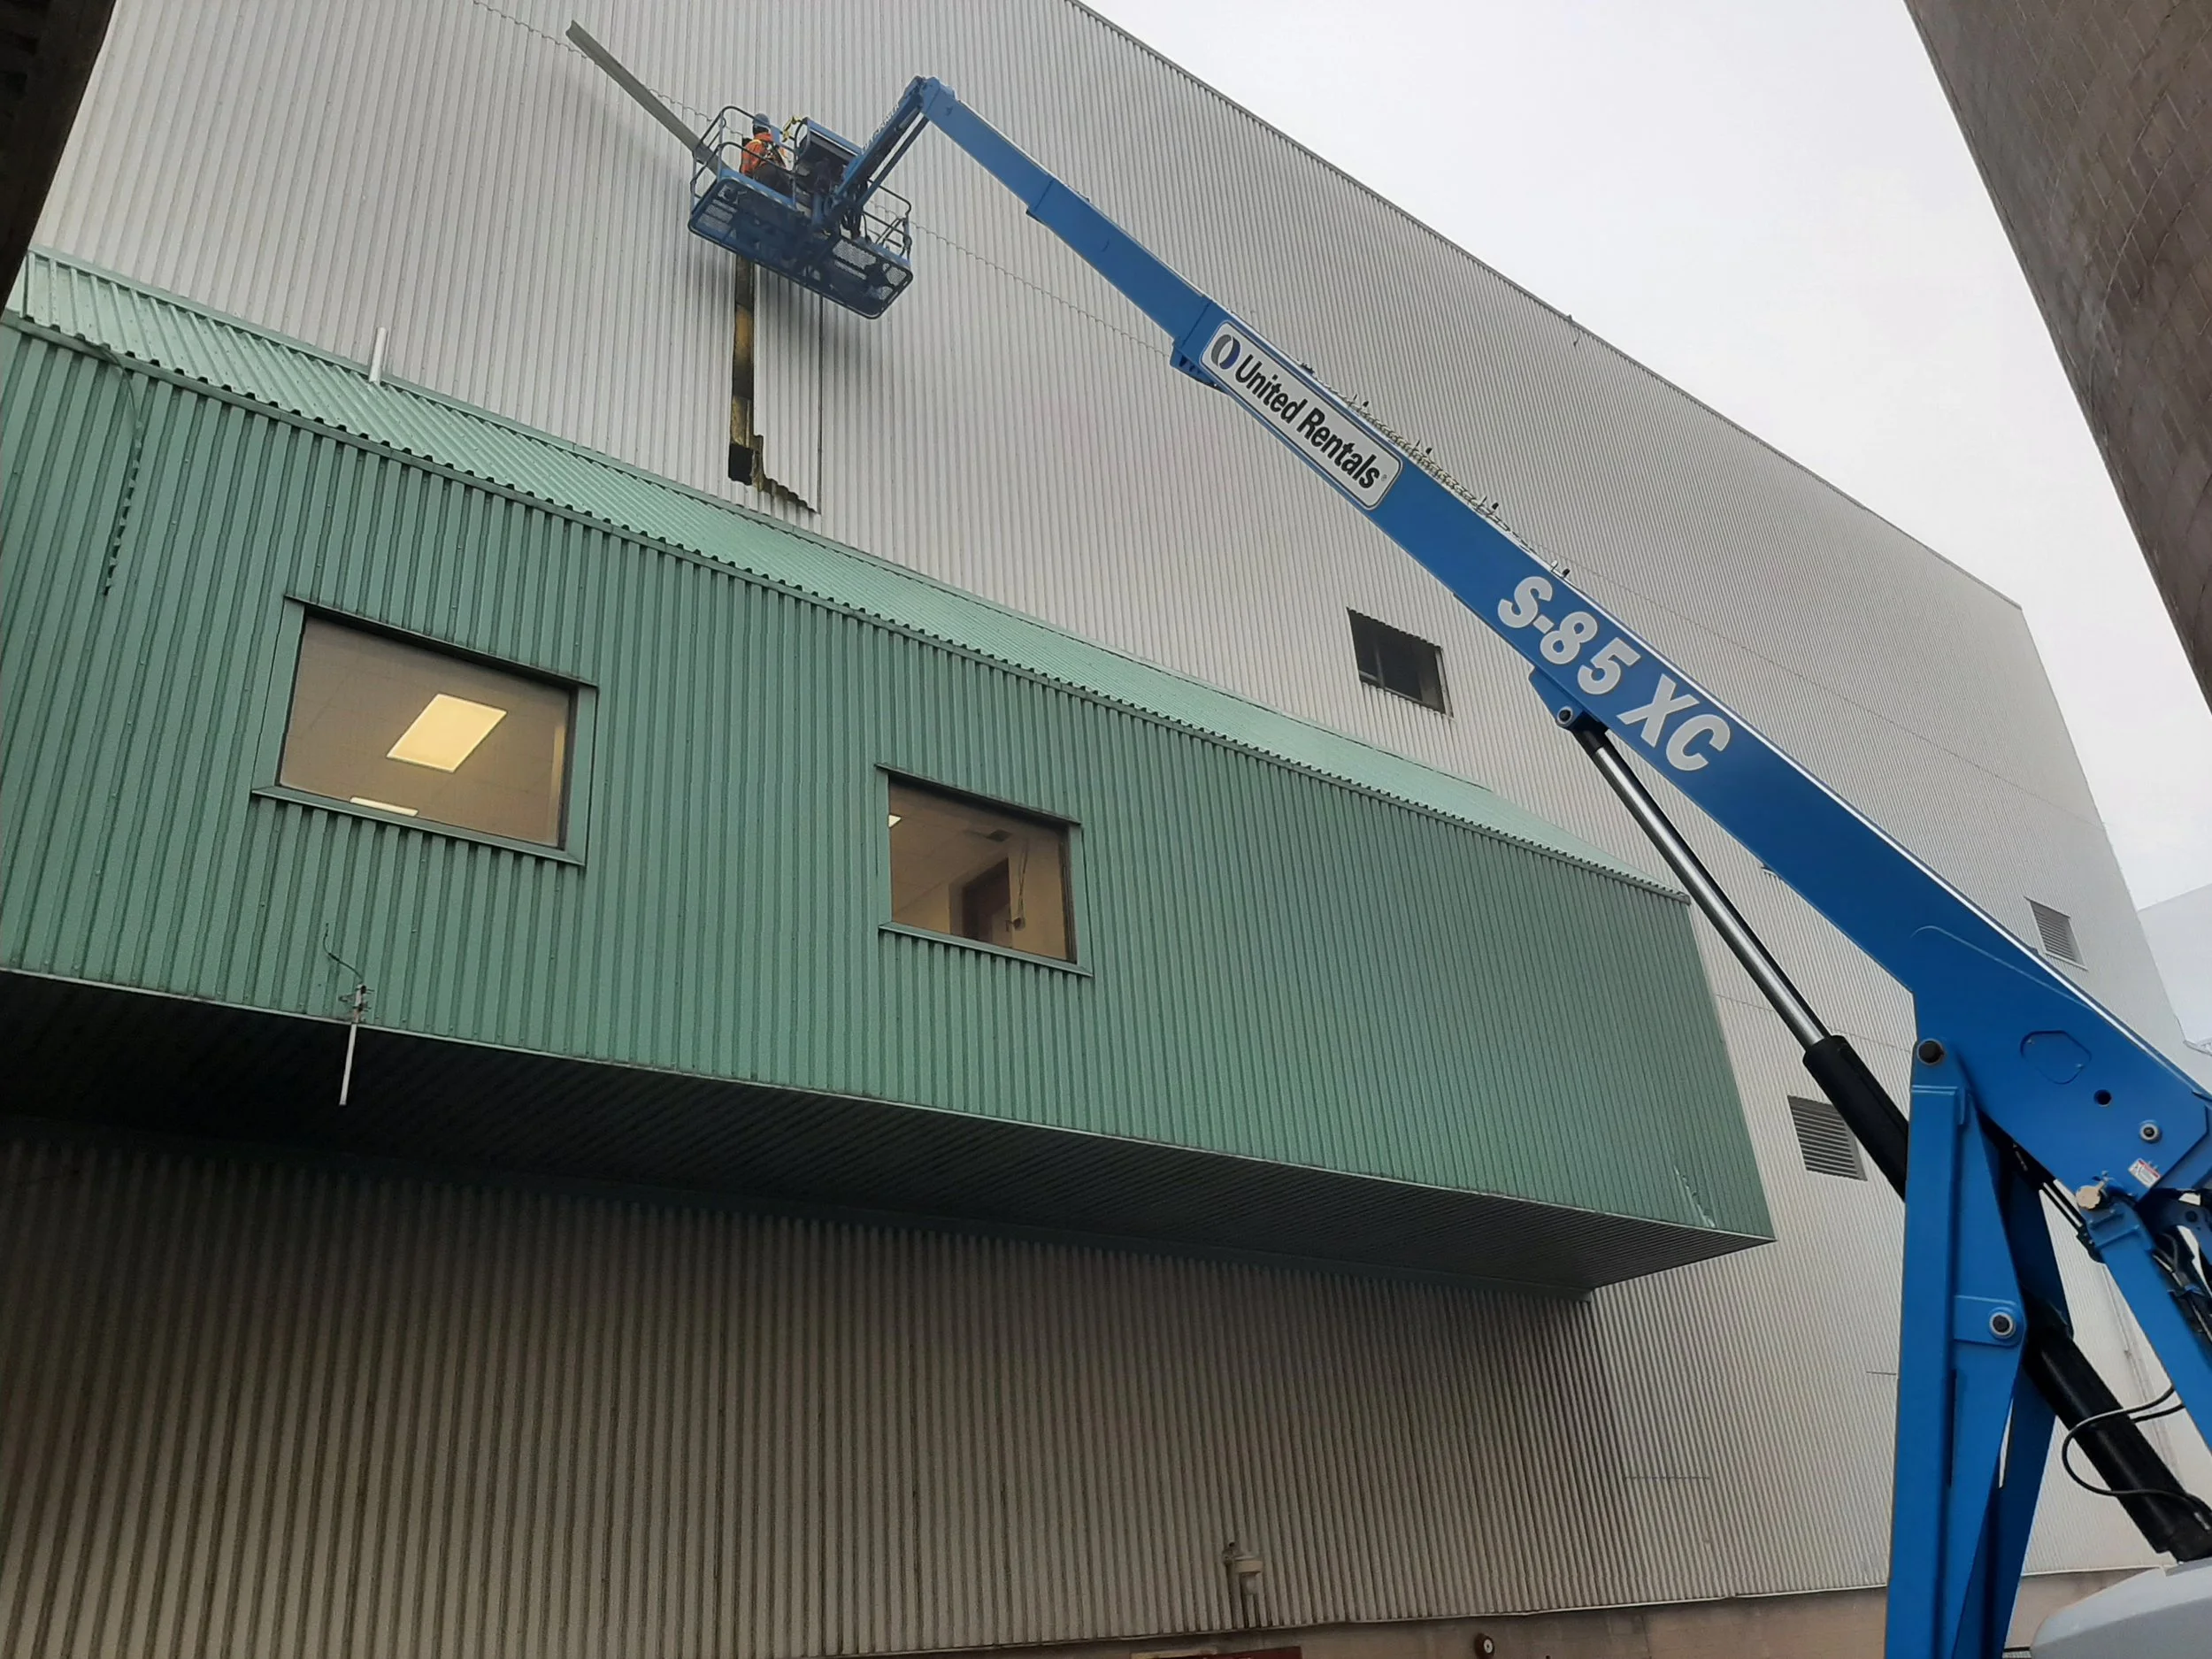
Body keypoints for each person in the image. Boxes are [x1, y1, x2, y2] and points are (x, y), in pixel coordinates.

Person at [738, 117, 790, 197]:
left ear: (754, 128)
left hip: (765, 172)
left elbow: (745, 169)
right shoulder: (778, 146)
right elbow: (784, 165)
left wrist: (743, 186)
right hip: (782, 177)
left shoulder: (752, 145)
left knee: (760, 200)